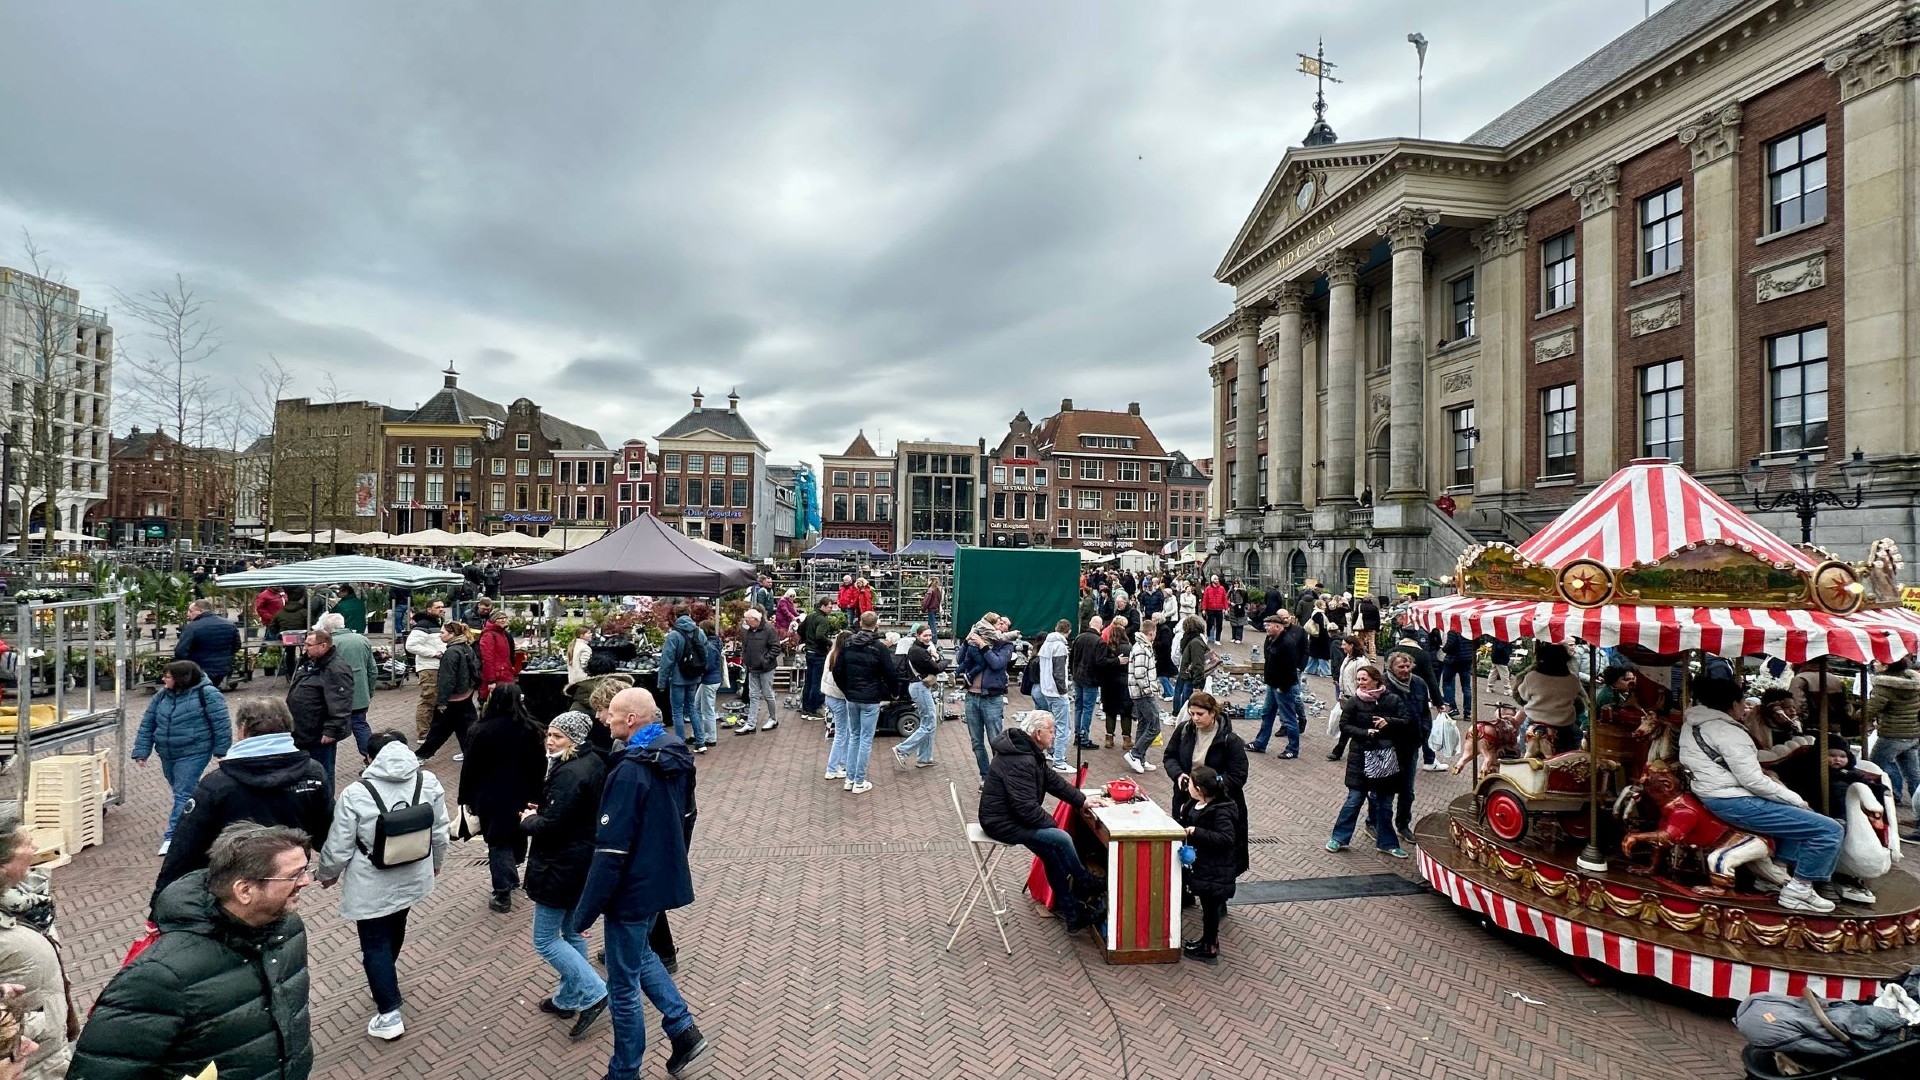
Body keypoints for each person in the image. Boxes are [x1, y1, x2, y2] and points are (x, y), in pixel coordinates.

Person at [74, 823, 316, 1080]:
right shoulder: (160, 976)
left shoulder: (287, 929)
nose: (306, 881)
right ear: (244, 891)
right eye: (294, 875)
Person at [574, 688, 707, 1079]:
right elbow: (688, 816)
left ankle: (625, 1070)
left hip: (631, 892)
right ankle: (681, 1028)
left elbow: (610, 850)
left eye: (613, 713)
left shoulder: (630, 769)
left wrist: (586, 911)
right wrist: (669, 860)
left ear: (631, 720)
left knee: (623, 986)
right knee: (640, 954)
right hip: (658, 883)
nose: (607, 719)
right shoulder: (674, 753)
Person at [316, 731, 451, 1041]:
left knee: (374, 941)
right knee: (396, 924)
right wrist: (436, 863)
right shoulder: (427, 782)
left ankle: (389, 1013)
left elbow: (340, 842)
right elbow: (440, 830)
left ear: (368, 758)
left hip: (371, 881)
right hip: (413, 872)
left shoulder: (356, 792)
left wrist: (328, 873)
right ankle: (384, 976)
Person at [1678, 677, 1843, 914]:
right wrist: (1797, 800)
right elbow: (1753, 781)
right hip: (1733, 800)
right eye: (1742, 701)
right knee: (1828, 829)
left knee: (1795, 817)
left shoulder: (1692, 723)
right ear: (1734, 703)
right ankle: (1800, 888)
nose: (1744, 706)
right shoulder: (1727, 731)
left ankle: (1776, 871)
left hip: (1713, 792)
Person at [520, 712, 611, 1038]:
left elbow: (552, 825)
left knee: (545, 940)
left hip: (560, 865)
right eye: (550, 734)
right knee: (572, 933)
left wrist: (529, 820)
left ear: (574, 740)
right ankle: (567, 998)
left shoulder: (569, 773)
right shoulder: (592, 762)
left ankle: (594, 992)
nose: (550, 740)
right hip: (580, 861)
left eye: (558, 736)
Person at [978, 712, 1109, 931]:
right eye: (1051, 730)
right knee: (1059, 839)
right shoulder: (1021, 759)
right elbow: (1026, 809)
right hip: (1001, 822)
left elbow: (1053, 781)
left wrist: (1082, 800)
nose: (1055, 735)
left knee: (1052, 854)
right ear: (1038, 734)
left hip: (1011, 817)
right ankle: (1084, 881)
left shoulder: (1028, 751)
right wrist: (1053, 826)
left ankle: (1073, 914)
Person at [461, 684, 547, 914]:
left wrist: (466, 797)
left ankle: (503, 891)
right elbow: (540, 766)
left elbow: (470, 767)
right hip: (522, 794)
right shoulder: (531, 729)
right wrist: (539, 795)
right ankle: (513, 867)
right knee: (518, 832)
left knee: (497, 841)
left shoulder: (480, 730)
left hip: (490, 795)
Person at [132, 659, 232, 856]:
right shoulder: (162, 696)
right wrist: (142, 750)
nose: (163, 680)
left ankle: (173, 837)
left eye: (167, 677)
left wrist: (222, 749)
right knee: (183, 791)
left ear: (180, 678)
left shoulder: (208, 694)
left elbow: (221, 722)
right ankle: (206, 819)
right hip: (168, 751)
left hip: (195, 750)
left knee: (183, 792)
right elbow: (148, 722)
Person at [0, 817, 73, 1079]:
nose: (34, 847)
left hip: (44, 1053)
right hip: (25, 1064)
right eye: (25, 843)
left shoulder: (21, 901)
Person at [1162, 691, 1249, 899]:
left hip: (1216, 805)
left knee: (1215, 852)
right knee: (1185, 845)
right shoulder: (1184, 730)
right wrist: (1178, 775)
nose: (1195, 718)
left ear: (1213, 713)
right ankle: (1186, 892)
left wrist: (1209, 788)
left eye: (1200, 714)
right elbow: (1170, 756)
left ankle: (1216, 900)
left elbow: (1238, 776)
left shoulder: (1230, 740)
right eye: (1192, 713)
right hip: (1186, 799)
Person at [1327, 663, 1411, 859]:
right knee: (1354, 800)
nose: (1360, 683)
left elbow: (1407, 721)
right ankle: (1339, 838)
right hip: (1361, 757)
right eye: (1358, 679)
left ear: (1375, 680)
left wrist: (1388, 723)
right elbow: (1345, 726)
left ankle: (1387, 843)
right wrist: (1365, 733)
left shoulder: (1392, 700)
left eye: (1364, 679)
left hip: (1384, 758)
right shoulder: (1354, 702)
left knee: (1384, 804)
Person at [829, 611, 903, 795]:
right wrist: (894, 692)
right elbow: (890, 673)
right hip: (870, 698)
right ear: (876, 625)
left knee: (854, 736)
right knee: (865, 740)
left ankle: (850, 778)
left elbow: (837, 670)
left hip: (852, 697)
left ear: (860, 622)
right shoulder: (879, 647)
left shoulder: (847, 644)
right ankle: (859, 781)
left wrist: (847, 690)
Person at [1179, 765, 1240, 964]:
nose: (1188, 787)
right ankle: (1206, 941)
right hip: (1204, 865)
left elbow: (1226, 838)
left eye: (1191, 784)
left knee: (1210, 909)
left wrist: (1196, 832)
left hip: (1215, 869)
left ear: (1200, 789)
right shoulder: (1195, 803)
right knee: (1207, 907)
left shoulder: (1221, 811)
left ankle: (1210, 946)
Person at [286, 629, 352, 788]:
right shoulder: (313, 663)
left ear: (323, 646)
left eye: (309, 645)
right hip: (304, 731)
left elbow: (341, 702)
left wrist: (331, 730)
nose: (305, 647)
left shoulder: (335, 669)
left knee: (322, 773)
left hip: (319, 735)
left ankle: (325, 806)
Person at [954, 617, 1016, 781]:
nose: (1001, 625)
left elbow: (996, 663)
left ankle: (998, 777)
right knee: (976, 742)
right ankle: (985, 776)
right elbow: (960, 660)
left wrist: (982, 644)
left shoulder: (1006, 645)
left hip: (992, 699)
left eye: (1005, 624)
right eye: (999, 621)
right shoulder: (977, 636)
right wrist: (968, 641)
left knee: (995, 740)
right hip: (971, 697)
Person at [1382, 651, 1436, 835]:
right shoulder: (1383, 685)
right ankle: (1378, 825)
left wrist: (1423, 734)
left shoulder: (1419, 684)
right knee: (1385, 790)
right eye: (1401, 667)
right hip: (1389, 746)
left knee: (1407, 790)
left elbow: (1425, 713)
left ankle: (1403, 825)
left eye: (1408, 666)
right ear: (1391, 668)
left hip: (1411, 745)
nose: (1405, 670)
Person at [315, 613, 376, 760]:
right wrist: (369, 691)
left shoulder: (328, 645)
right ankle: (371, 757)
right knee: (360, 725)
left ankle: (326, 762)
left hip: (333, 697)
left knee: (329, 728)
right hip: (360, 695)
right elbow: (372, 669)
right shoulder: (362, 640)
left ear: (326, 628)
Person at [419, 621, 480, 762]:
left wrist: (441, 701)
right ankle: (470, 752)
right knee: (464, 727)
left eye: (443, 632)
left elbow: (447, 679)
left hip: (454, 698)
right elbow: (475, 669)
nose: (440, 635)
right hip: (465, 694)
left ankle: (421, 755)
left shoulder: (451, 652)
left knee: (439, 729)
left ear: (452, 634)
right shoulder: (466, 647)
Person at [1249, 612, 1308, 758]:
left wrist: (1284, 687)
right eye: (1265, 625)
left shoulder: (1287, 644)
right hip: (1271, 684)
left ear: (1278, 626)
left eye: (1268, 626)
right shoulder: (1270, 639)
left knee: (1288, 717)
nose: (1266, 628)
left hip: (1283, 687)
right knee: (1267, 713)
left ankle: (1293, 749)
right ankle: (1260, 743)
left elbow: (1289, 668)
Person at [1514, 642, 1585, 755]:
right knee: (1577, 735)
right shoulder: (1572, 680)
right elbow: (1576, 699)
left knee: (1523, 730)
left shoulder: (1531, 676)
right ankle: (1569, 758)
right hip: (1563, 724)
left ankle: (1523, 753)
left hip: (1534, 719)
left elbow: (1523, 695)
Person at [1866, 660, 1920, 807]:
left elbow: (1869, 711)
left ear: (1886, 666)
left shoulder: (1884, 687)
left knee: (1874, 767)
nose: (1874, 664)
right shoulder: (1915, 684)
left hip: (1891, 735)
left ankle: (1882, 798)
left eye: (1878, 661)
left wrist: (1850, 716)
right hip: (1913, 734)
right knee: (1913, 775)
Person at [893, 624, 947, 768]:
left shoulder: (920, 649)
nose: (928, 638)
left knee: (928, 722)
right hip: (920, 687)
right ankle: (902, 749)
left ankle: (924, 757)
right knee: (929, 722)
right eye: (925, 636)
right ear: (918, 636)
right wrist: (942, 660)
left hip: (920, 687)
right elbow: (936, 668)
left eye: (930, 635)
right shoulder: (919, 651)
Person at [1028, 620, 1074, 773]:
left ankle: (1051, 752)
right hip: (1056, 692)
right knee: (1063, 727)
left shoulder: (1046, 644)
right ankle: (1059, 761)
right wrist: (1063, 691)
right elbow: (1059, 672)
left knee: (1048, 724)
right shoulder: (1060, 647)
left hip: (1046, 690)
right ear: (1068, 631)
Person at [659, 608, 707, 745]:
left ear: (675, 616)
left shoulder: (674, 635)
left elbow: (666, 660)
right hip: (694, 676)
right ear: (689, 614)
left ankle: (680, 743)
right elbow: (705, 653)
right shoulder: (699, 631)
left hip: (678, 678)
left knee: (677, 712)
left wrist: (662, 682)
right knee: (692, 708)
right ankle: (700, 741)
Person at [1123, 619, 1163, 775]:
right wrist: (1148, 690)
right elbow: (1140, 674)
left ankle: (1140, 758)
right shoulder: (1142, 648)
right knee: (1154, 725)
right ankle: (1135, 754)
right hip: (1143, 694)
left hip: (1139, 693)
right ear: (1151, 632)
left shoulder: (1142, 646)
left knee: (1144, 724)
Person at [174, 598, 240, 688]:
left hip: (199, 669)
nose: (188, 614)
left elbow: (180, 652)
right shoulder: (229, 625)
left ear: (200, 611)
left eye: (190, 611)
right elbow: (236, 646)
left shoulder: (192, 627)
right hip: (222, 668)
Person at [405, 600, 448, 740]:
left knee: (436, 699)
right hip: (428, 668)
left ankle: (434, 728)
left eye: (442, 607)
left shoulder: (438, 623)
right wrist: (434, 653)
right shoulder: (422, 626)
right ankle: (423, 734)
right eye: (438, 607)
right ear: (429, 609)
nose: (441, 609)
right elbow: (410, 645)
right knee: (428, 700)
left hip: (438, 667)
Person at [736, 607, 780, 736]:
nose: (746, 623)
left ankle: (773, 719)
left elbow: (776, 648)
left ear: (755, 620)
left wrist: (765, 660)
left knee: (767, 694)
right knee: (753, 695)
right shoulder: (749, 630)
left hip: (766, 668)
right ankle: (751, 723)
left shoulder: (769, 629)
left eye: (748, 621)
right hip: (752, 668)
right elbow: (746, 646)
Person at [1325, 636, 1366, 761]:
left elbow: (1363, 679)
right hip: (1346, 697)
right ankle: (1340, 750)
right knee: (1344, 723)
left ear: (1351, 645)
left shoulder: (1361, 662)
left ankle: (1339, 750)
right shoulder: (1348, 658)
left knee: (1348, 724)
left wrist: (1359, 694)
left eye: (1344, 645)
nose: (1342, 647)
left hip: (1355, 698)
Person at [1068, 616, 1104, 750]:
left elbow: (1072, 658)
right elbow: (1100, 662)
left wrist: (1073, 672)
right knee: (1088, 709)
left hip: (1078, 677)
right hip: (1090, 679)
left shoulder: (1079, 638)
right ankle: (1084, 737)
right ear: (1100, 626)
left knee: (1078, 707)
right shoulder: (1099, 641)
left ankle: (1078, 735)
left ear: (1090, 623)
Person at [1097, 621, 1133, 750]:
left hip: (1109, 683)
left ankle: (1109, 738)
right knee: (1126, 712)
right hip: (1125, 683)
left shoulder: (1106, 648)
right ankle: (1126, 739)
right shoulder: (1129, 648)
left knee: (1110, 711)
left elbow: (1101, 664)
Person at [798, 597, 836, 718]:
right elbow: (820, 635)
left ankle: (805, 707)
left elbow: (800, 629)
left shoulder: (810, 616)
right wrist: (830, 643)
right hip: (818, 653)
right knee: (816, 682)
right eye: (830, 607)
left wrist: (806, 640)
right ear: (823, 606)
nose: (831, 609)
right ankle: (813, 709)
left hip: (809, 652)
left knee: (809, 681)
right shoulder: (823, 619)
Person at [693, 619, 725, 752]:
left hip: (709, 681)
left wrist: (697, 668)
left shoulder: (708, 646)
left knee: (707, 710)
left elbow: (708, 665)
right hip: (712, 680)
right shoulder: (715, 642)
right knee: (697, 706)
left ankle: (711, 737)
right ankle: (700, 733)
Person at [1439, 631, 1479, 721]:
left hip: (1453, 660)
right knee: (1466, 687)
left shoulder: (1454, 629)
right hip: (1467, 660)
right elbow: (1477, 644)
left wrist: (1443, 649)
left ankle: (1452, 707)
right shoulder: (1471, 628)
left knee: (1447, 683)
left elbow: (1450, 645)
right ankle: (1467, 712)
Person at [478, 610, 516, 705]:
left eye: (505, 618)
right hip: (497, 677)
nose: (503, 620)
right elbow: (487, 659)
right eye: (500, 618)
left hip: (505, 674)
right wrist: (491, 680)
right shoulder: (489, 635)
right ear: (494, 620)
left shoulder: (502, 633)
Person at [1175, 615, 1208, 718]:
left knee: (1187, 707)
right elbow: (1197, 664)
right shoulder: (1195, 641)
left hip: (1189, 678)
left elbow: (1197, 664)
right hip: (1190, 678)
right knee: (1188, 707)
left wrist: (1196, 685)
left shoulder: (1191, 641)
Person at [1200, 576, 1228, 642]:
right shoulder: (1208, 589)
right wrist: (1204, 609)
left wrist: (1226, 608)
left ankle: (1217, 639)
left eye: (1217, 579)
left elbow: (1225, 599)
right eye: (1215, 579)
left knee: (1219, 625)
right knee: (1210, 623)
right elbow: (1205, 599)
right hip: (1210, 609)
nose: (1217, 580)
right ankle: (1210, 636)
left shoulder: (1222, 588)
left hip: (1219, 609)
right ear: (1212, 580)